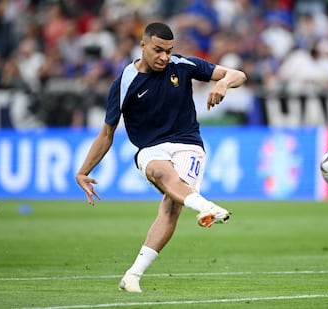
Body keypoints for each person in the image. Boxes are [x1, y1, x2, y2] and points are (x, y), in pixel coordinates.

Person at [75, 22, 247, 293]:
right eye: (158, 50)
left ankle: (132, 276)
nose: (164, 57)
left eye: (169, 51)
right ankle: (205, 205)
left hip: (189, 145)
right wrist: (83, 171)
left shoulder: (182, 65)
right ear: (142, 45)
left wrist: (224, 83)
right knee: (160, 173)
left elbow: (237, 74)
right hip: (151, 148)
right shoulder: (125, 82)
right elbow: (107, 133)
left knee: (171, 206)